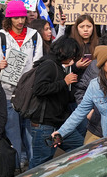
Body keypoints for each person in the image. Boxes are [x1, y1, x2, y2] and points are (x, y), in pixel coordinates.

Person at [0, 0, 44, 168]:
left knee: (30, 133)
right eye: (16, 18)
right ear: (9, 19)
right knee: (13, 132)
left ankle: (34, 166)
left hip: (30, 93)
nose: (20, 21)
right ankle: (15, 168)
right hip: (8, 93)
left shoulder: (35, 35)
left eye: (22, 16)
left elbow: (38, 61)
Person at [28, 37, 80, 168]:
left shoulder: (59, 66)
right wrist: (64, 82)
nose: (72, 58)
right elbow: (39, 89)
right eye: (71, 54)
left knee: (81, 149)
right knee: (40, 163)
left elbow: (61, 94)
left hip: (58, 126)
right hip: (45, 127)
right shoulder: (49, 65)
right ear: (62, 50)